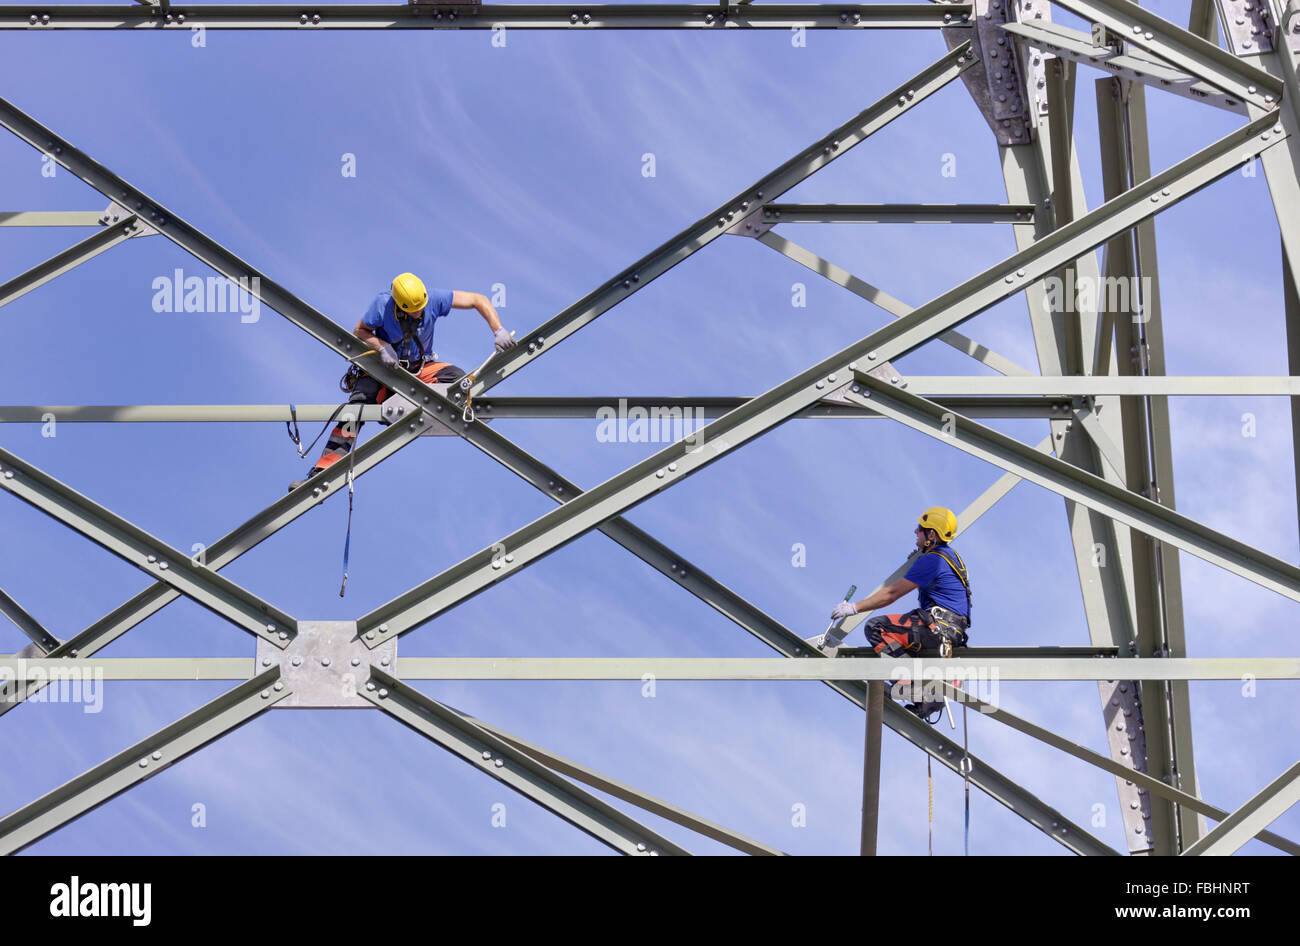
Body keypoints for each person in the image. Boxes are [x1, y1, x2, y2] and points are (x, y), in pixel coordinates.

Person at [290, 273, 515, 489]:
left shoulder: (432, 299)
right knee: (355, 410)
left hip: (420, 369)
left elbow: (478, 299)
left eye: (421, 309)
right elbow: (360, 330)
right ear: (400, 306)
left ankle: (448, 415)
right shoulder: (382, 305)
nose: (420, 313)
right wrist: (382, 346)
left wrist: (498, 329)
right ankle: (322, 472)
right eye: (414, 311)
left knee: (459, 382)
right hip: (383, 373)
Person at [829, 506, 972, 722]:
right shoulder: (951, 558)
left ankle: (908, 683)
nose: (915, 532)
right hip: (950, 633)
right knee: (905, 646)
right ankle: (925, 699)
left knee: (876, 627)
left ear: (931, 535)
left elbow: (892, 593)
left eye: (920, 529)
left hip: (936, 629)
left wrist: (854, 608)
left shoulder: (933, 560)